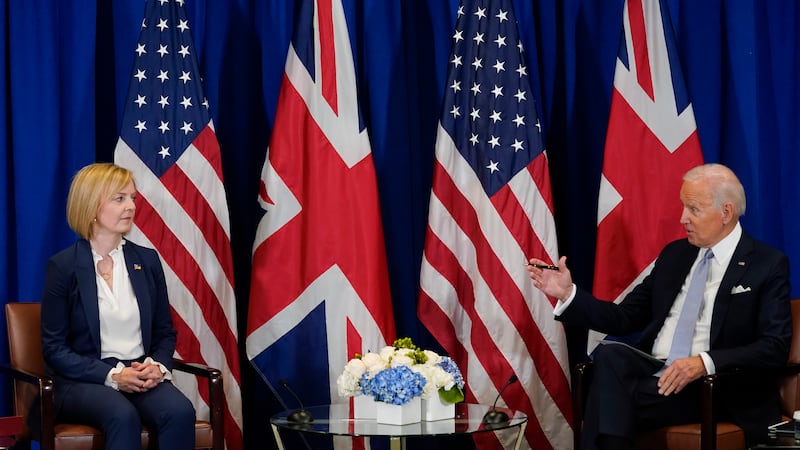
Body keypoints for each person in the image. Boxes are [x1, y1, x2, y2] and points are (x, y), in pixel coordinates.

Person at [527, 163, 791, 450]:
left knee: (607, 400)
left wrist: (704, 362)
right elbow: (624, 318)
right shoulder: (675, 255)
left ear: (725, 212)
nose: (683, 218)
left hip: (714, 386)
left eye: (693, 209)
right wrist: (568, 294)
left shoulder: (766, 263)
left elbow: (773, 346)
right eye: (683, 207)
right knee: (610, 356)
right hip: (657, 376)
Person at [40, 163, 196, 450]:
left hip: (139, 371)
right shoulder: (63, 267)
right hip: (85, 380)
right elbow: (54, 349)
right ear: (91, 206)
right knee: (122, 415)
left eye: (132, 198)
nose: (131, 207)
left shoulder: (146, 261)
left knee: (180, 411)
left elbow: (164, 332)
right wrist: (112, 376)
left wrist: (158, 367)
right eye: (119, 198)